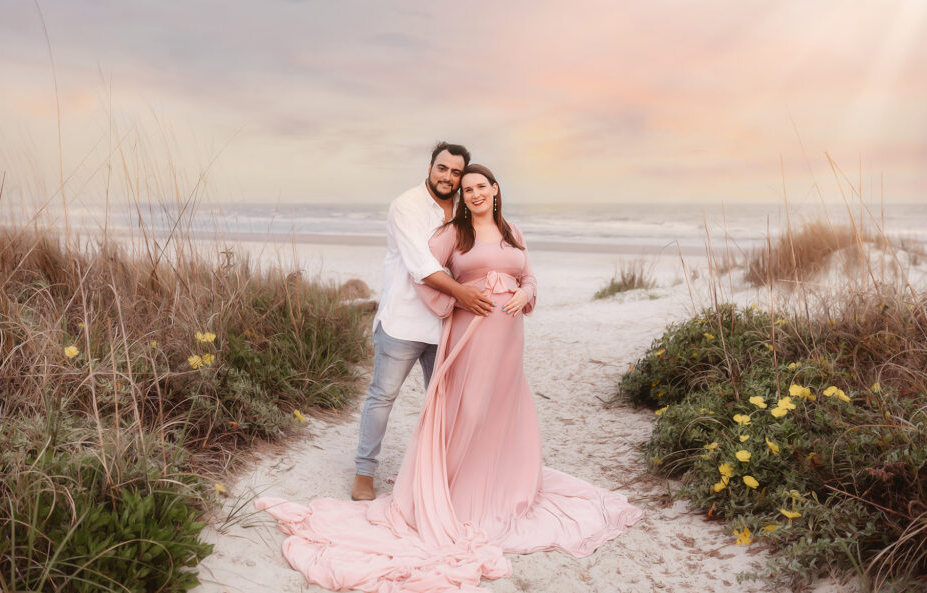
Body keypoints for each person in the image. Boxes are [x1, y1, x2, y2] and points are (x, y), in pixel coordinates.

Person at [256, 164, 643, 593]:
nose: (475, 194)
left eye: (482, 186)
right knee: (470, 408)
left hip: (509, 338)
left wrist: (525, 293)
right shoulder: (452, 235)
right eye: (468, 189)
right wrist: (456, 303)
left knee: (502, 408)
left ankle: (498, 485)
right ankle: (457, 491)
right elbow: (423, 274)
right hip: (471, 333)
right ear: (462, 196)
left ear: (495, 190)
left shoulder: (514, 230)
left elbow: (529, 276)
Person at [352, 142, 494, 501]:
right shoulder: (407, 206)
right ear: (431, 167)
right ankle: (364, 473)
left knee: (443, 403)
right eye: (442, 168)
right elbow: (421, 266)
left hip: (446, 324)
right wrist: (464, 294)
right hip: (402, 321)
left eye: (456, 172)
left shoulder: (465, 207)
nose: (448, 177)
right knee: (383, 397)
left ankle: (436, 474)